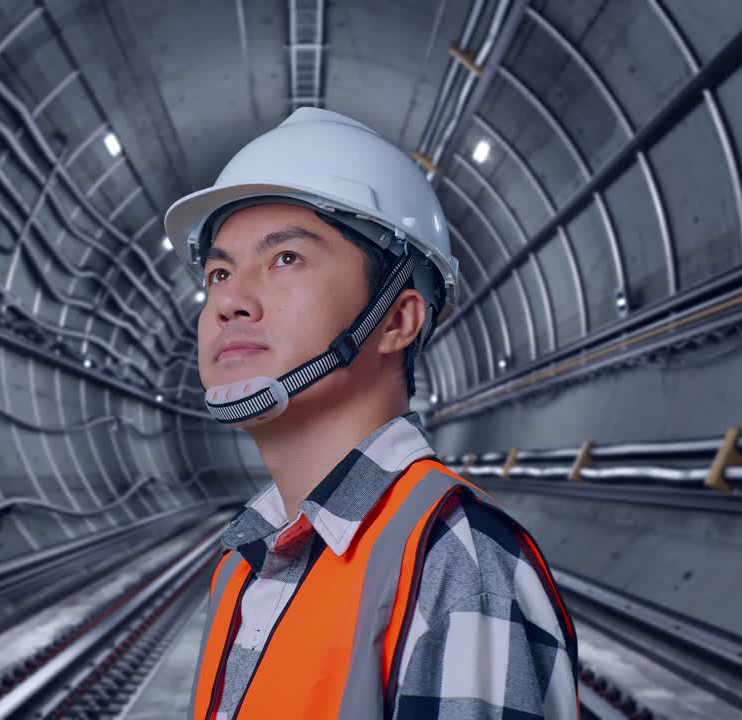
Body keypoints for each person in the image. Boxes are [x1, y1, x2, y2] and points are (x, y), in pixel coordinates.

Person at [164, 108, 578, 720]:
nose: (229, 299)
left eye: (285, 260)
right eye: (219, 271)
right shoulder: (243, 562)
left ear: (396, 319)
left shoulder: (454, 561)